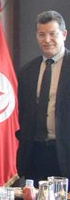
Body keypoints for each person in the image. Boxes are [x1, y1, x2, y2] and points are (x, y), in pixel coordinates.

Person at [16, 11, 70, 182]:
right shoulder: (26, 72)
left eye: (52, 34)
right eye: (42, 34)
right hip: (35, 154)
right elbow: (23, 114)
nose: (47, 40)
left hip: (65, 152)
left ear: (64, 34)